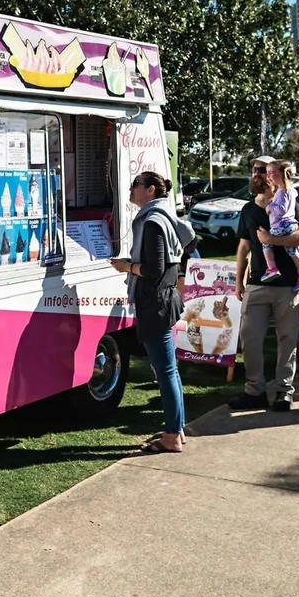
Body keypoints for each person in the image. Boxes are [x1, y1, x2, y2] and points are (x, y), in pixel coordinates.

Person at [228, 155, 299, 412]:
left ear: (274, 173)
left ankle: (284, 392)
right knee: (250, 340)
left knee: (287, 341)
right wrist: (239, 281)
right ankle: (254, 391)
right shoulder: (248, 209)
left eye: (262, 169)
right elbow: (243, 247)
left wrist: (271, 241)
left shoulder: (287, 202)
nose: (257, 173)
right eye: (254, 169)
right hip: (256, 284)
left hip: (288, 285)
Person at [110, 171, 184, 454]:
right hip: (163, 299)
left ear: (150, 190)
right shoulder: (163, 215)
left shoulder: (152, 221)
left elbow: (153, 269)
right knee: (169, 369)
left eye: (135, 185)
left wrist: (127, 266)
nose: (130, 190)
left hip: (156, 303)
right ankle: (176, 428)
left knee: (165, 371)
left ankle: (173, 435)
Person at [261, 159, 299, 290]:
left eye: (273, 172)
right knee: (292, 251)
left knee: (266, 241)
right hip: (289, 225)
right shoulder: (289, 190)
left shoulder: (282, 191)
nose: (269, 175)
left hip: (282, 225)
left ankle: (271, 268)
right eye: (268, 172)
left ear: (282, 173)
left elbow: (281, 209)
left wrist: (270, 206)